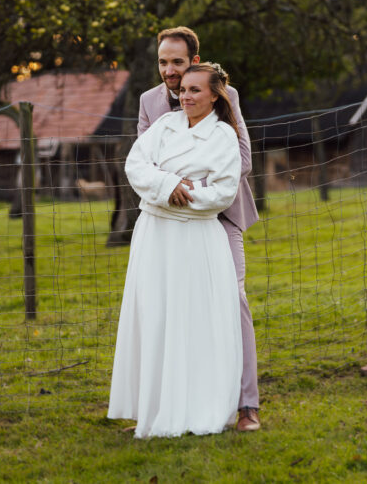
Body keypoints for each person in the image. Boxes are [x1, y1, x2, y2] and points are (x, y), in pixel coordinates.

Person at [136, 27, 261, 432]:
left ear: (194, 61)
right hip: (168, 220)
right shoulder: (149, 102)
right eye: (162, 62)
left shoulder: (224, 94)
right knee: (169, 305)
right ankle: (171, 404)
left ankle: (246, 404)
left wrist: (191, 187)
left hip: (219, 215)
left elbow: (242, 160)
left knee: (232, 297)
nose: (169, 71)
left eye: (177, 62)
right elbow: (143, 161)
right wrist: (167, 186)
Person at [108, 63, 243, 438]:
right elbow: (136, 165)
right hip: (155, 237)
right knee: (155, 315)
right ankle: (154, 405)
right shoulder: (164, 127)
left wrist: (184, 194)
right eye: (183, 89)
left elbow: (222, 192)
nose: (186, 96)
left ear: (215, 94)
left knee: (194, 320)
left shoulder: (223, 137)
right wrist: (168, 184)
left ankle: (196, 405)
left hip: (196, 238)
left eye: (195, 90)